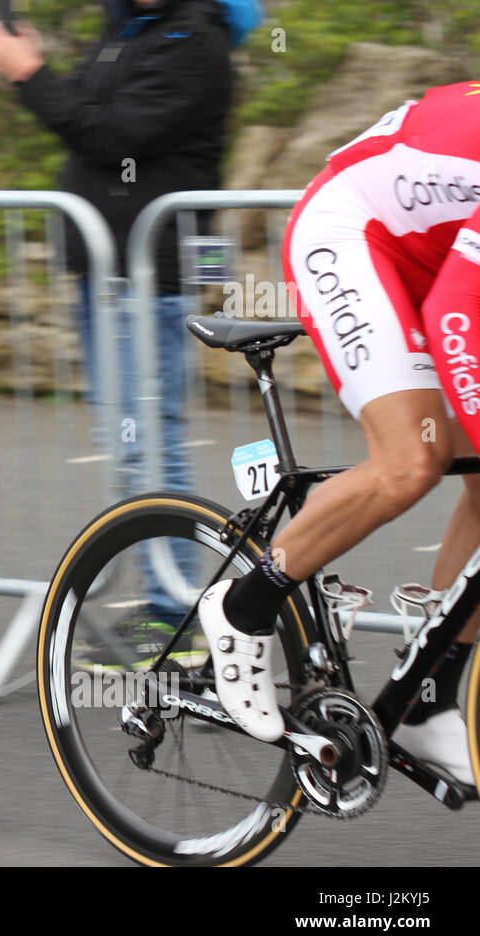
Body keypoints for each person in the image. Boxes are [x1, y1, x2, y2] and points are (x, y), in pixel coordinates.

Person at [195, 82, 480, 785]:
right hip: (351, 233)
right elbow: (456, 314)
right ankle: (243, 604)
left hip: (438, 253)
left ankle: (426, 697)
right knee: (413, 461)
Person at [0, 0, 257, 670]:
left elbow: (110, 135)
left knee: (153, 441)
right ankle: (157, 601)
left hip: (149, 276)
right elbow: (87, 111)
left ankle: (178, 618)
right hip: (107, 274)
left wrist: (29, 74)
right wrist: (44, 72)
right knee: (126, 442)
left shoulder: (193, 40)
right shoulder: (128, 29)